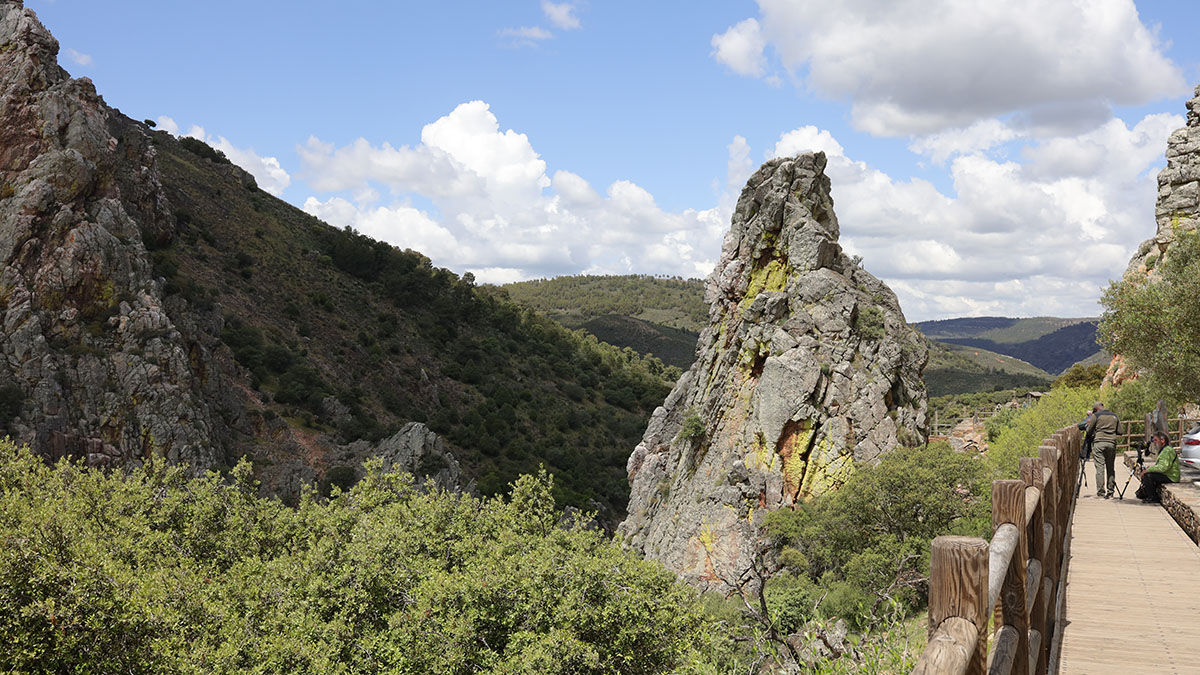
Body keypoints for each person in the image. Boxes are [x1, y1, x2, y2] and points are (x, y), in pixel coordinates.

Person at [1085, 402, 1119, 498]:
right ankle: (1111, 491)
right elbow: (1120, 431)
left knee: (1100, 468)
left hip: (1099, 442)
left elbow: (1089, 431)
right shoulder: (1114, 415)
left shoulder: (1096, 416)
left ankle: (1101, 493)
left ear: (1096, 409)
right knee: (1110, 468)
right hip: (1111, 443)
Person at [1136, 431, 1180, 503]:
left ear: (1162, 440)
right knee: (1148, 473)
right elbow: (1161, 466)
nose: (1154, 443)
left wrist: (1148, 470)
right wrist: (1150, 468)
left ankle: (1153, 497)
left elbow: (1163, 467)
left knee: (1148, 476)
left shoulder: (1167, 451)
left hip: (1171, 476)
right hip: (1168, 474)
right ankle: (1148, 493)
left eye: (1156, 440)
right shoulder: (1165, 450)